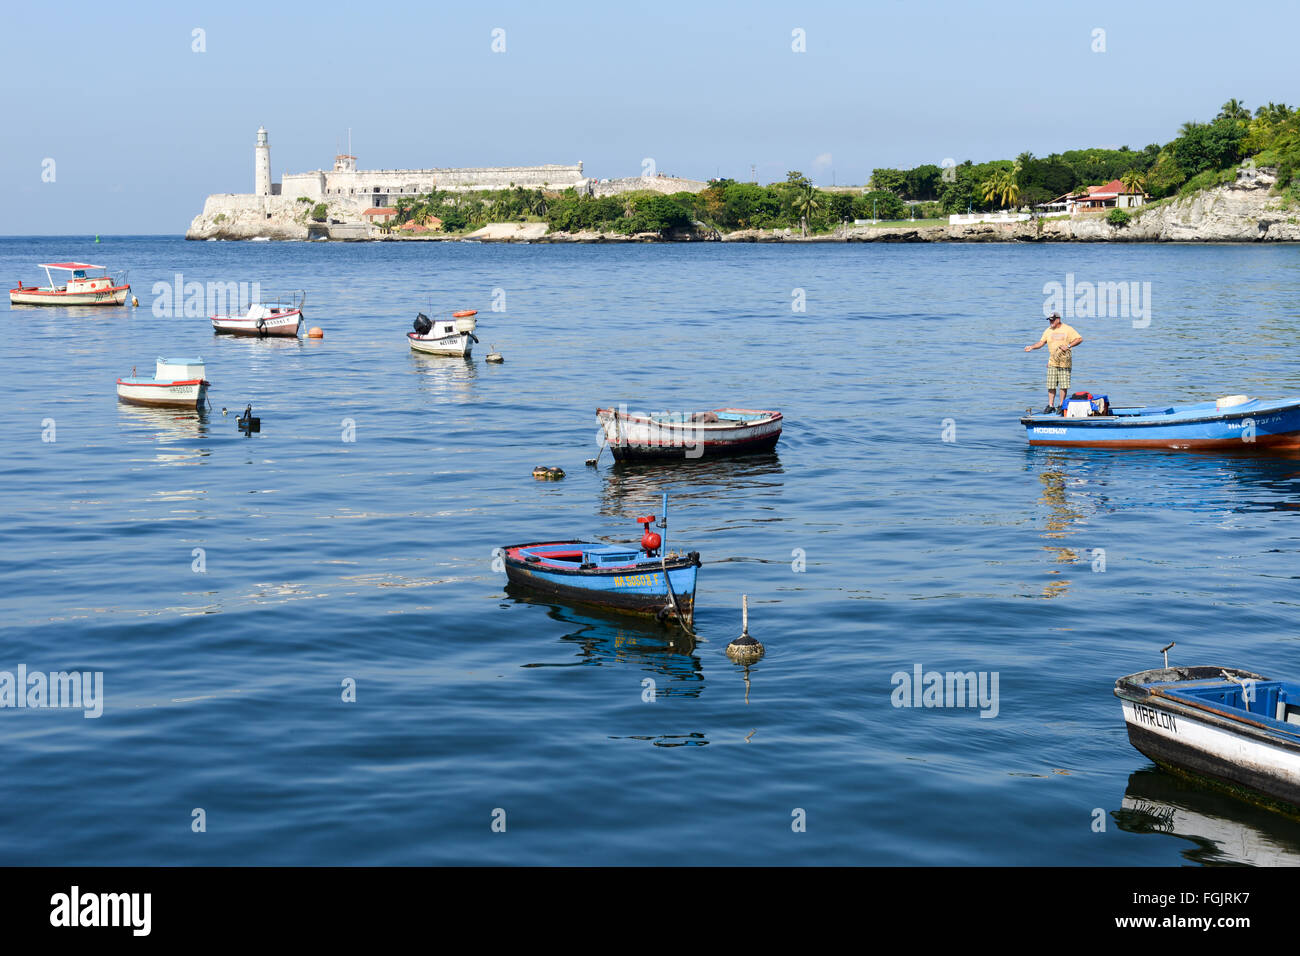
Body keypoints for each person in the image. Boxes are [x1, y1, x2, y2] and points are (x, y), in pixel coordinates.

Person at [1024, 312, 1082, 413]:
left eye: (1052, 320)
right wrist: (1032, 347)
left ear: (1058, 320)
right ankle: (1051, 405)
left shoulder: (1067, 329)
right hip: (1052, 362)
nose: (1051, 322)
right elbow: (1041, 343)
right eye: (1049, 320)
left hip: (1065, 362)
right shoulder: (1048, 331)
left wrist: (1068, 346)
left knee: (1063, 385)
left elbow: (1079, 339)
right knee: (1051, 385)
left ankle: (1061, 405)